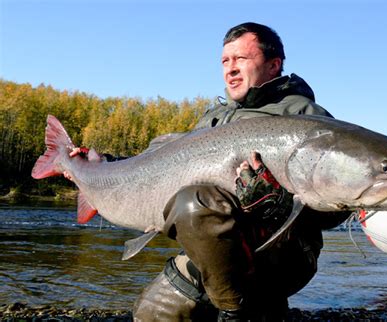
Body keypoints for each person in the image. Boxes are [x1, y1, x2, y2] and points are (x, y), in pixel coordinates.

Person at [68, 22, 351, 321]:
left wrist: (280, 204)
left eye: (241, 59)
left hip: (281, 254)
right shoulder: (213, 119)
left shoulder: (305, 117)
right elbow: (161, 165)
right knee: (151, 314)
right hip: (211, 252)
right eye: (225, 61)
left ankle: (238, 311)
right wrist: (103, 164)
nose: (230, 69)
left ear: (273, 64)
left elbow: (339, 209)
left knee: (196, 202)